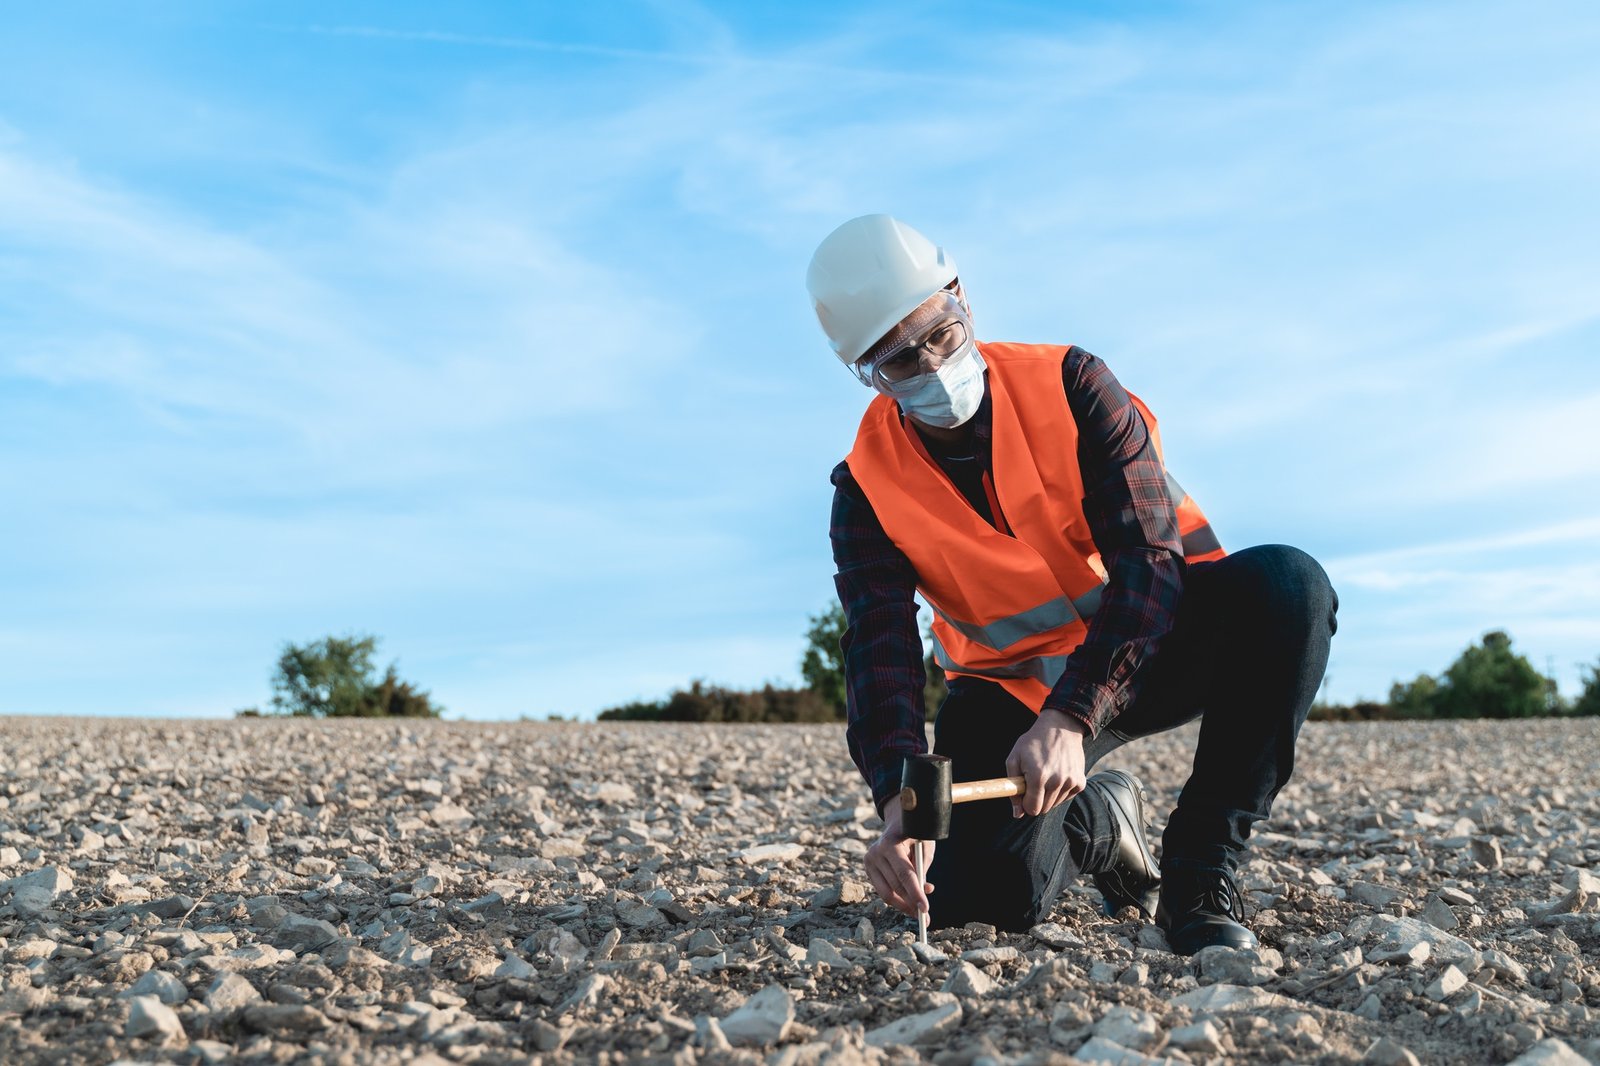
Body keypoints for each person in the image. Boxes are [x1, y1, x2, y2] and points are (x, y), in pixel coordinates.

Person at [808, 214, 1338, 953]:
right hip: (1012, 692)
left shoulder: (1074, 386)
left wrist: (1072, 717)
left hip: (1154, 644)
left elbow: (1150, 564)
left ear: (963, 299)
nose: (930, 366)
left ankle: (1198, 875)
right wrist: (900, 799)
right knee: (979, 904)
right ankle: (1100, 821)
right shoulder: (864, 488)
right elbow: (880, 654)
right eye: (899, 361)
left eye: (941, 333)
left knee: (1289, 588)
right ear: (863, 372)